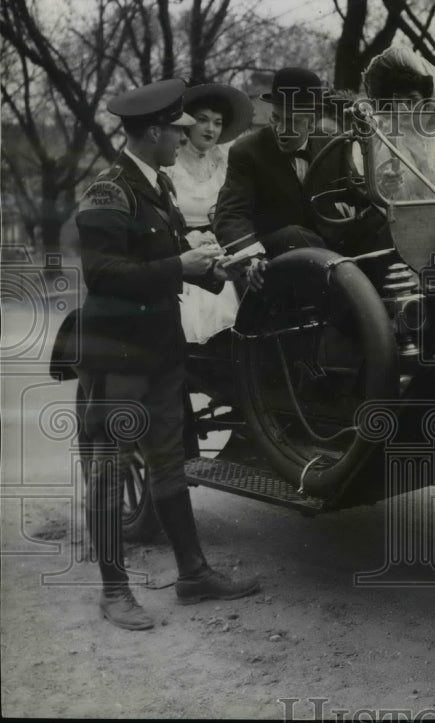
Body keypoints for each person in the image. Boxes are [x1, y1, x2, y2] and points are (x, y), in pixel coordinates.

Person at [75, 79, 259, 631]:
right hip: (118, 353)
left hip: (159, 348)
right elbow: (103, 274)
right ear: (152, 131)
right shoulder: (109, 189)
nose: (184, 140)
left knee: (167, 462)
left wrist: (216, 272)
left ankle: (194, 574)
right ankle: (113, 591)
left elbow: (171, 256)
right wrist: (183, 267)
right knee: (109, 469)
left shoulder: (154, 183)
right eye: (176, 131)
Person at [213, 67, 337, 290]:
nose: (281, 130)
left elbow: (354, 196)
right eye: (276, 118)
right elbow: (230, 215)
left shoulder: (332, 144)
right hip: (275, 255)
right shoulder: (246, 151)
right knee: (295, 234)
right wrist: (252, 257)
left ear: (313, 120)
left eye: (293, 122)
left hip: (331, 248)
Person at [162, 83, 253, 343]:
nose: (210, 129)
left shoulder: (227, 161)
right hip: (181, 248)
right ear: (188, 123)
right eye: (202, 120)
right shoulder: (169, 161)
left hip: (222, 247)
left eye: (217, 122)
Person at [362, 47, 435, 202]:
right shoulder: (383, 147)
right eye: (397, 101)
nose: (403, 108)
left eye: (412, 100)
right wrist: (383, 188)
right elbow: (372, 203)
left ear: (426, 103)